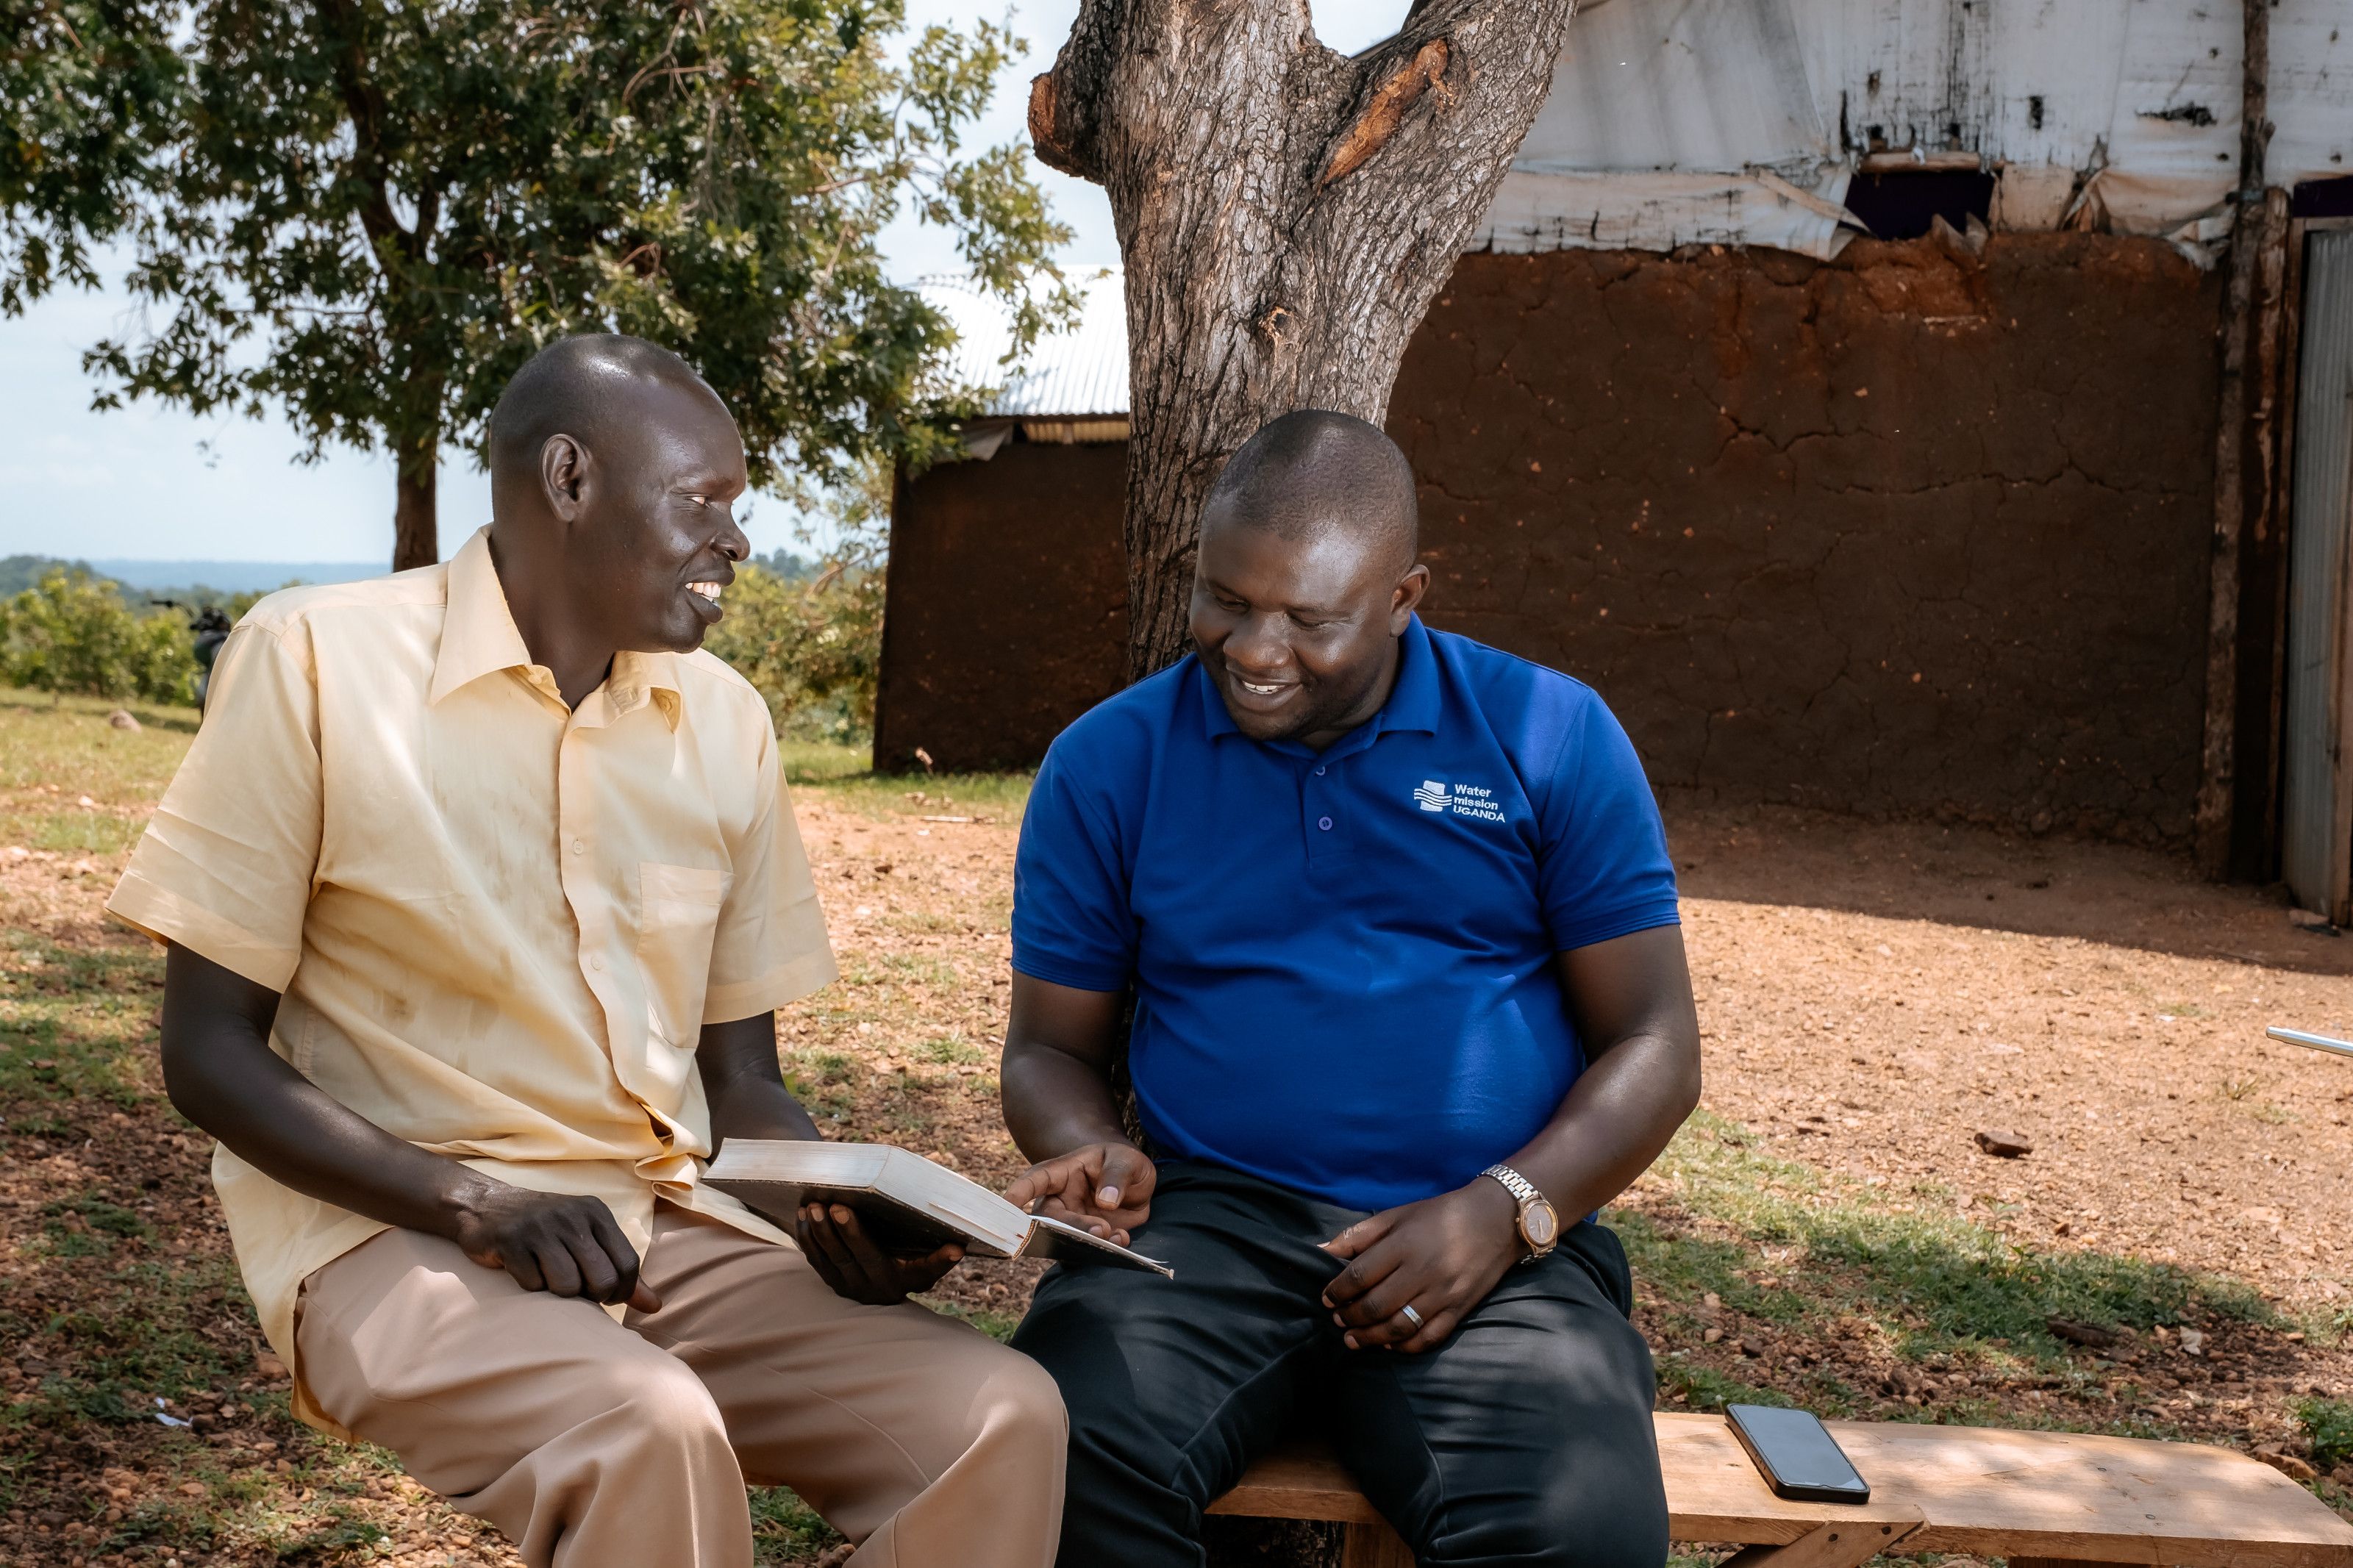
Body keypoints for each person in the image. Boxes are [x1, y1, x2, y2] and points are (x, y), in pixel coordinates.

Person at [107, 335, 1065, 1568]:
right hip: (389, 1231)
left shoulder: (724, 722)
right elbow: (203, 1053)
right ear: (570, 478)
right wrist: (478, 1200)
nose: (737, 540)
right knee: (648, 1428)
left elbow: (744, 1089)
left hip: (657, 1222)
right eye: (703, 500)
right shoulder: (315, 662)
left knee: (1003, 1417)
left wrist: (840, 1210)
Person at [999, 409, 1702, 1567]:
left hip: (1491, 1246)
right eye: (1225, 598)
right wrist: (1088, 1145)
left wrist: (1506, 1205)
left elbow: (1657, 1042)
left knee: (1580, 1531)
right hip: (1209, 1229)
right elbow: (1048, 1049)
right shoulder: (1111, 761)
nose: (1254, 648)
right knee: (1056, 1457)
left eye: (1308, 619)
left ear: (1403, 597)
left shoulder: (1549, 735)